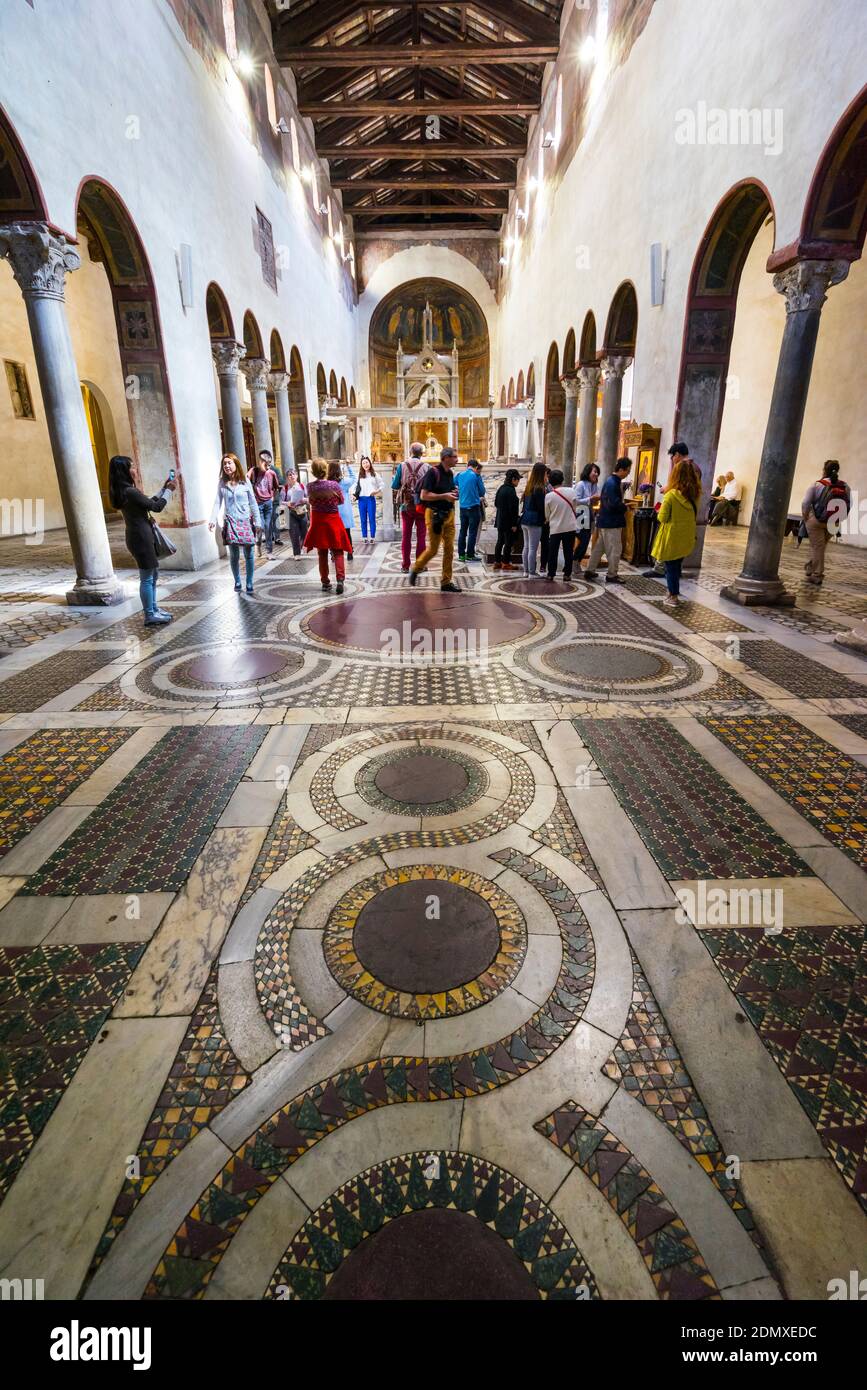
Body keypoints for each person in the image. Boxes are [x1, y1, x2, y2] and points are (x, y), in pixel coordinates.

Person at [108, 455, 176, 627]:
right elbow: (156, 507)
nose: (135, 470)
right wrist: (169, 491)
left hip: (140, 536)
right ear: (124, 471)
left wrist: (163, 488)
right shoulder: (129, 491)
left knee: (153, 575)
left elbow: (148, 502)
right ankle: (149, 614)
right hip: (140, 538)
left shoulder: (126, 491)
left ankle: (154, 609)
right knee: (146, 578)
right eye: (132, 467)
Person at [650, 457, 701, 607]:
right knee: (677, 565)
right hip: (686, 535)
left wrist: (660, 508)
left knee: (670, 567)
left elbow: (662, 517)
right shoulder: (695, 494)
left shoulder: (671, 495)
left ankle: (673, 596)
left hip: (672, 536)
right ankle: (672, 592)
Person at [209, 452, 262, 594]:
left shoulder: (245, 481)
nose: (226, 465)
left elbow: (252, 502)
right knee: (234, 554)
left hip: (245, 521)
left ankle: (249, 582)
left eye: (229, 463)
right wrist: (212, 519)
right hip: (231, 521)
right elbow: (217, 502)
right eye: (224, 464)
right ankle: (237, 580)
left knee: (249, 554)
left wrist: (258, 521)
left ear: (235, 464)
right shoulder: (222, 482)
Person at [409, 446, 460, 592]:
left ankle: (446, 582)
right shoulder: (433, 472)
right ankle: (416, 568)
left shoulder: (450, 473)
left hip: (449, 514)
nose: (457, 459)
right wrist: (444, 496)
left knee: (449, 549)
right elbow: (424, 495)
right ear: (445, 458)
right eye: (454, 457)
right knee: (433, 549)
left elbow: (448, 491)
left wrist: (454, 492)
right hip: (434, 515)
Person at [801, 460, 851, 586]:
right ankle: (810, 567)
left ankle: (817, 575)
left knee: (818, 546)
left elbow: (806, 503)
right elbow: (849, 504)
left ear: (824, 470)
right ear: (837, 470)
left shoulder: (817, 485)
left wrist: (805, 516)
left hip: (817, 520)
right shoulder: (845, 486)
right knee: (820, 546)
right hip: (833, 521)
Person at [306, 459, 352, 594]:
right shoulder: (334, 485)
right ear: (325, 470)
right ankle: (340, 579)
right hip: (333, 521)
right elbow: (341, 501)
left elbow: (310, 501)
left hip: (318, 522)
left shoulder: (310, 487)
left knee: (322, 553)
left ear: (313, 471)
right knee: (338, 551)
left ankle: (325, 582)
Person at [585, 457, 632, 584]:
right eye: (627, 470)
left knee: (599, 548)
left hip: (605, 521)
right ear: (621, 469)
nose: (628, 473)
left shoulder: (612, 481)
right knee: (614, 549)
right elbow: (613, 503)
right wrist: (624, 507)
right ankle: (612, 574)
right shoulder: (613, 483)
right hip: (612, 522)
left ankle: (590, 570)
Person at [393, 442, 428, 573]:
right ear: (421, 453)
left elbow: (395, 485)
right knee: (421, 536)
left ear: (410, 452)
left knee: (406, 536)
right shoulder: (427, 467)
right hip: (421, 506)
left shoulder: (402, 466)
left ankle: (405, 566)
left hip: (406, 506)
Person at [544, 469, 579, 582]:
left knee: (553, 552)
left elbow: (547, 515)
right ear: (562, 480)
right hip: (570, 526)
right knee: (568, 551)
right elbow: (575, 507)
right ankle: (567, 574)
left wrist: (551, 518)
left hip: (555, 527)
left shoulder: (549, 496)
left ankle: (551, 573)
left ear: (550, 481)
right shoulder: (571, 491)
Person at [519, 461, 548, 577]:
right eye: (545, 473)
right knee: (532, 548)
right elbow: (542, 507)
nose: (546, 476)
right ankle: (531, 572)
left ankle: (526, 571)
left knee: (526, 546)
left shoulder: (529, 486)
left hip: (525, 519)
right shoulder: (539, 488)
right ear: (542, 473)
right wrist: (546, 517)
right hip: (534, 521)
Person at [250, 451, 280, 557]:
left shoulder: (272, 473)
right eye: (264, 462)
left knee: (268, 527)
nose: (266, 466)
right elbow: (245, 480)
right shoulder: (254, 471)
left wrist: (272, 497)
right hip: (258, 504)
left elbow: (276, 487)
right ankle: (257, 544)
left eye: (268, 463)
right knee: (260, 526)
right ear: (260, 461)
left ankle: (269, 551)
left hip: (268, 503)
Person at [457, 457, 486, 562]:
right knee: (472, 532)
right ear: (476, 467)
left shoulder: (460, 475)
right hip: (474, 507)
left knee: (462, 531)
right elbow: (482, 491)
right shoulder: (476, 476)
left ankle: (461, 555)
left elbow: (454, 485)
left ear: (467, 466)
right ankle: (470, 554)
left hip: (462, 507)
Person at [493, 469, 521, 570]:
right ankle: (505, 563)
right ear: (513, 479)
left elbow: (496, 503)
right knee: (508, 542)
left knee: (500, 541)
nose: (518, 482)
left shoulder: (501, 488)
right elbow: (513, 509)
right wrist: (514, 524)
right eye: (518, 480)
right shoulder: (511, 490)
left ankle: (497, 562)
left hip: (500, 520)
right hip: (508, 522)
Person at [574, 462, 600, 567]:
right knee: (583, 540)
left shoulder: (594, 485)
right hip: (581, 514)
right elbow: (575, 501)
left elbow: (595, 498)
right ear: (588, 472)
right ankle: (574, 561)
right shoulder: (581, 484)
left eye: (597, 472)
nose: (596, 474)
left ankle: (576, 562)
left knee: (586, 541)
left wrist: (596, 500)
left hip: (590, 515)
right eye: (594, 471)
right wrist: (590, 499)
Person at [328, 460, 354, 560]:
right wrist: (348, 466)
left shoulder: (328, 483)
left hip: (333, 512)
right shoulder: (344, 482)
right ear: (339, 470)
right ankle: (350, 552)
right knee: (347, 533)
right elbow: (353, 478)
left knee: (333, 534)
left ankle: (333, 553)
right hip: (344, 510)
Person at [283, 469, 309, 558]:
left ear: (297, 476)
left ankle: (301, 547)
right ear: (287, 477)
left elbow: (308, 498)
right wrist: (288, 503)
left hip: (302, 511)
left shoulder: (302, 486)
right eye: (290, 475)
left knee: (304, 533)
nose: (292, 476)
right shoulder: (285, 488)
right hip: (291, 512)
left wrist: (304, 500)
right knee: (294, 534)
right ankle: (296, 553)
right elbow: (280, 501)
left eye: (293, 474)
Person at [354, 456, 382, 539]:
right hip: (362, 500)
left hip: (370, 499)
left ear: (369, 463)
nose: (365, 464)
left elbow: (382, 484)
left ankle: (372, 537)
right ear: (361, 465)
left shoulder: (375, 474)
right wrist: (352, 494)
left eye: (367, 462)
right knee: (363, 520)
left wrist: (376, 491)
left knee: (372, 519)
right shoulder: (359, 475)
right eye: (363, 463)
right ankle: (364, 537)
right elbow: (354, 486)